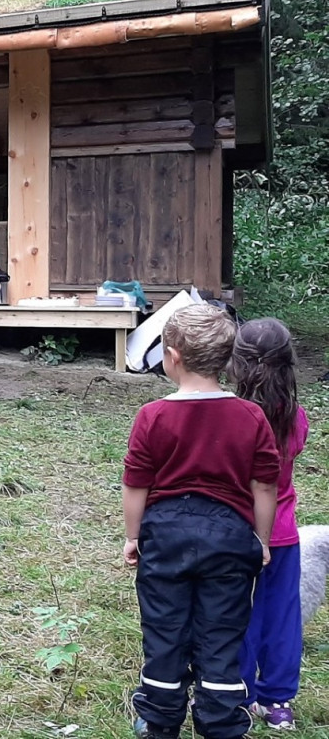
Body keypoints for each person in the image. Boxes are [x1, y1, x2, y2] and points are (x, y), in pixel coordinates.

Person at [123, 304, 279, 739]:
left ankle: (159, 720)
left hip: (166, 535)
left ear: (172, 356)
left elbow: (136, 483)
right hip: (230, 537)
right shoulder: (251, 417)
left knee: (164, 631)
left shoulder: (153, 416)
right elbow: (264, 486)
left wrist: (133, 537)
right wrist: (261, 540)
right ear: (226, 359)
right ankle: (220, 724)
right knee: (222, 634)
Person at [230, 318, 309, 731]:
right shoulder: (297, 419)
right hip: (282, 534)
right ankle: (278, 702)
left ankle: (239, 696)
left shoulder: (231, 419)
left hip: (237, 532)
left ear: (235, 365)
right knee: (281, 615)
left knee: (236, 613)